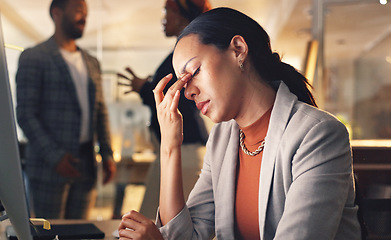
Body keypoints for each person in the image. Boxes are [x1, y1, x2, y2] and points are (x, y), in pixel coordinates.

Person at [118, 7, 362, 239]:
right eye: (182, 83)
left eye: (193, 72)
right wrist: (169, 146)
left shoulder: (318, 134)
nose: (188, 92)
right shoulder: (223, 138)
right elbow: (187, 236)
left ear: (237, 49)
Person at [15, 0, 116, 220]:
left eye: (86, 12)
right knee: (48, 232)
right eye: (79, 10)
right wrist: (55, 157)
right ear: (57, 13)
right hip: (49, 166)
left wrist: (107, 153)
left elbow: (101, 112)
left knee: (79, 233)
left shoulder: (92, 62)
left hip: (86, 164)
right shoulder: (34, 57)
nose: (84, 17)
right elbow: (25, 114)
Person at [116, 0, 211, 219]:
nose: (163, 18)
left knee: (160, 221)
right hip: (177, 148)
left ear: (180, 15)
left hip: (184, 149)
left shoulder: (185, 55)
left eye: (167, 11)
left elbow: (175, 96)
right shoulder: (180, 55)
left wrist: (145, 88)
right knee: (153, 217)